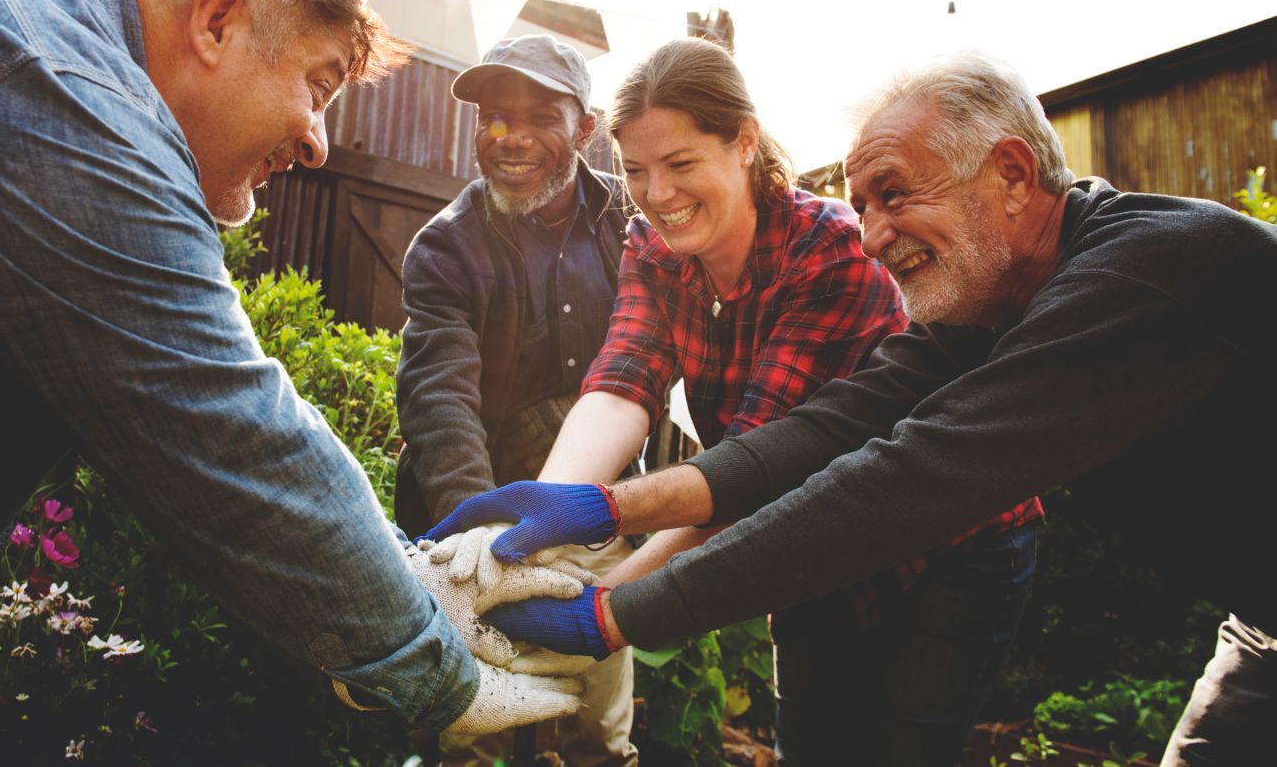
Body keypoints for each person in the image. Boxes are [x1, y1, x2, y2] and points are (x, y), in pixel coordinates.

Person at [0, 0, 581, 762]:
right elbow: (224, 424)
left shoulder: (43, 34)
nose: (317, 141)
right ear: (216, 22)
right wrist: (437, 672)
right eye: (317, 84)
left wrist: (406, 572)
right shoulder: (58, 84)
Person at [431, 52, 1277, 766]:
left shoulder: (1139, 279)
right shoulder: (990, 298)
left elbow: (907, 479)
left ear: (1012, 176)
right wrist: (598, 505)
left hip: (937, 553)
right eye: (862, 202)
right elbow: (827, 430)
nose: (872, 235)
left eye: (896, 194)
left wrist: (610, 612)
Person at [513, 37, 1039, 763]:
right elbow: (622, 382)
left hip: (944, 545)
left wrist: (597, 614)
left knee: (906, 749)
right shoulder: (653, 247)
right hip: (807, 536)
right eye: (635, 171)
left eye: (681, 164)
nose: (658, 194)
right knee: (816, 746)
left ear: (744, 143)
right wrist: (530, 525)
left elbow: (756, 468)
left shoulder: (831, 251)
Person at [395, 33, 638, 764]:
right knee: (470, 729)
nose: (512, 137)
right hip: (475, 513)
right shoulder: (446, 248)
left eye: (540, 116)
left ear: (585, 129)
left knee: (594, 729)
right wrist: (481, 542)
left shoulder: (630, 226)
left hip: (592, 514)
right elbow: (440, 398)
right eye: (496, 117)